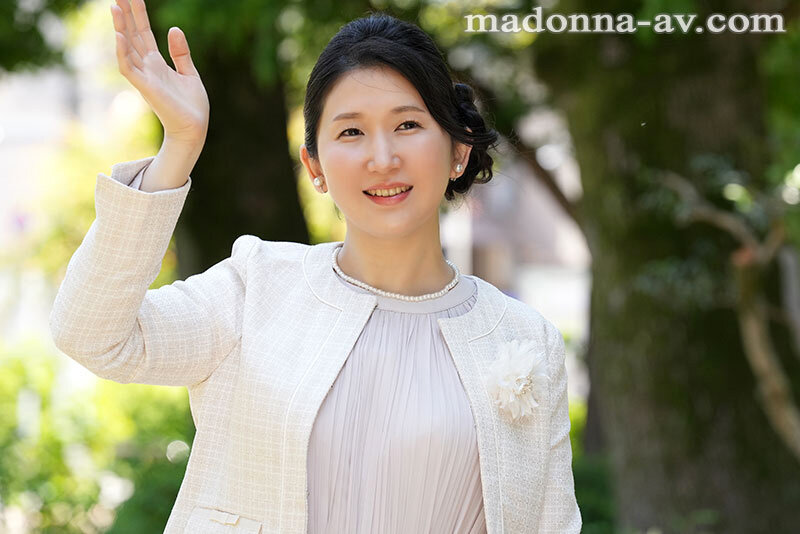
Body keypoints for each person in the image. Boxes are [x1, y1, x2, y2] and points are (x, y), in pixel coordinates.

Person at [49, 0, 581, 532]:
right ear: (315, 166)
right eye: (351, 132)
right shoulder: (255, 288)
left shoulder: (523, 338)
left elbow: (551, 524)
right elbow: (91, 333)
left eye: (408, 124)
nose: (382, 158)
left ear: (458, 150)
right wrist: (181, 145)